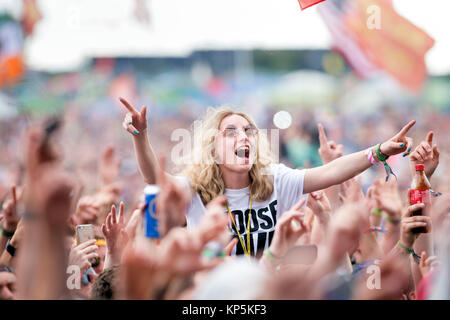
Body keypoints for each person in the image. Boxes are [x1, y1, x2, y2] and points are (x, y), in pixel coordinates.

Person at [120, 98, 416, 258]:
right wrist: (140, 135)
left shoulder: (275, 179)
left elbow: (330, 172)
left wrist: (379, 151)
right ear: (213, 147)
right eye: (231, 132)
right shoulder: (194, 189)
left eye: (248, 131)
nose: (243, 136)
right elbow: (154, 179)